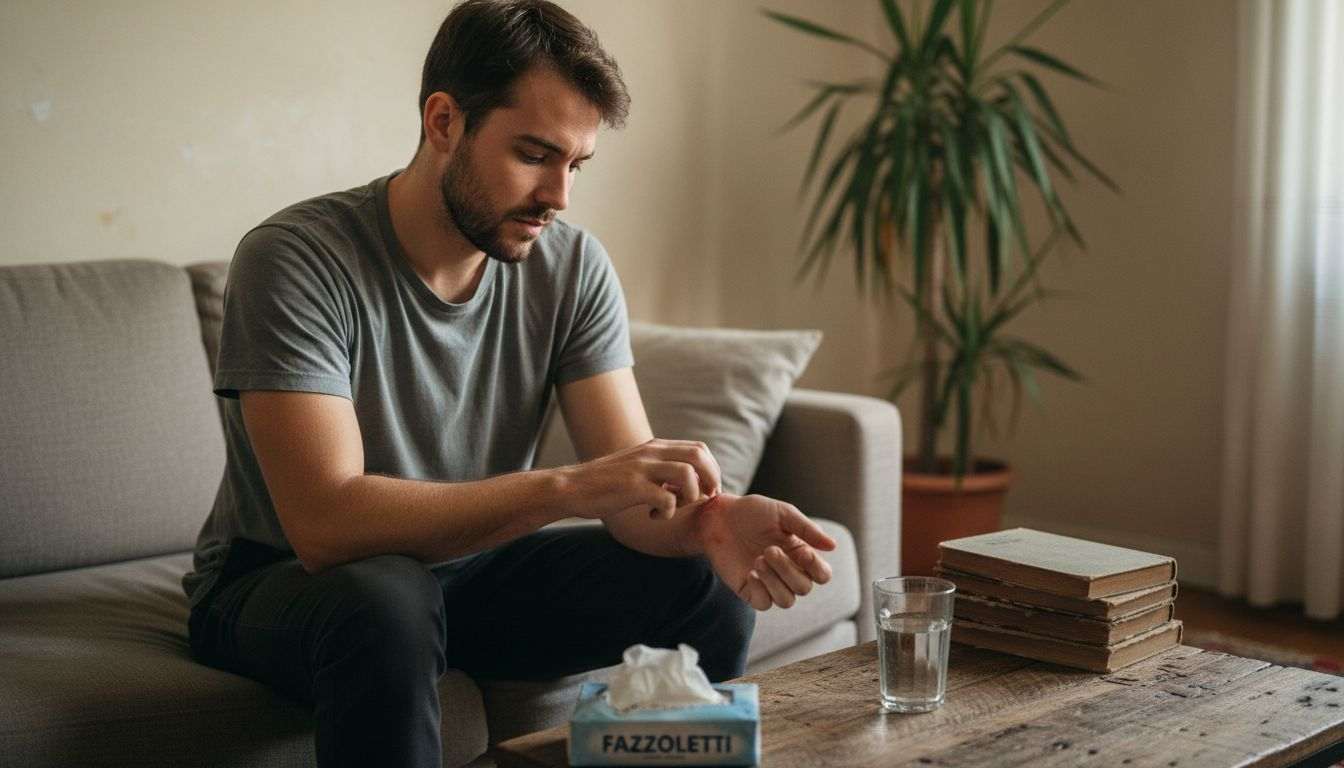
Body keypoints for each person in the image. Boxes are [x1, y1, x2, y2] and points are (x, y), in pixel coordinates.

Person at [182, 1, 837, 765]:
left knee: (703, 583)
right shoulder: (295, 259)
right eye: (534, 155)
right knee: (387, 599)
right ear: (443, 122)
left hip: (466, 571)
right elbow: (325, 524)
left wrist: (708, 524)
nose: (558, 196)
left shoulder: (572, 267)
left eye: (576, 165)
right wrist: (569, 489)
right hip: (284, 583)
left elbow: (632, 499)